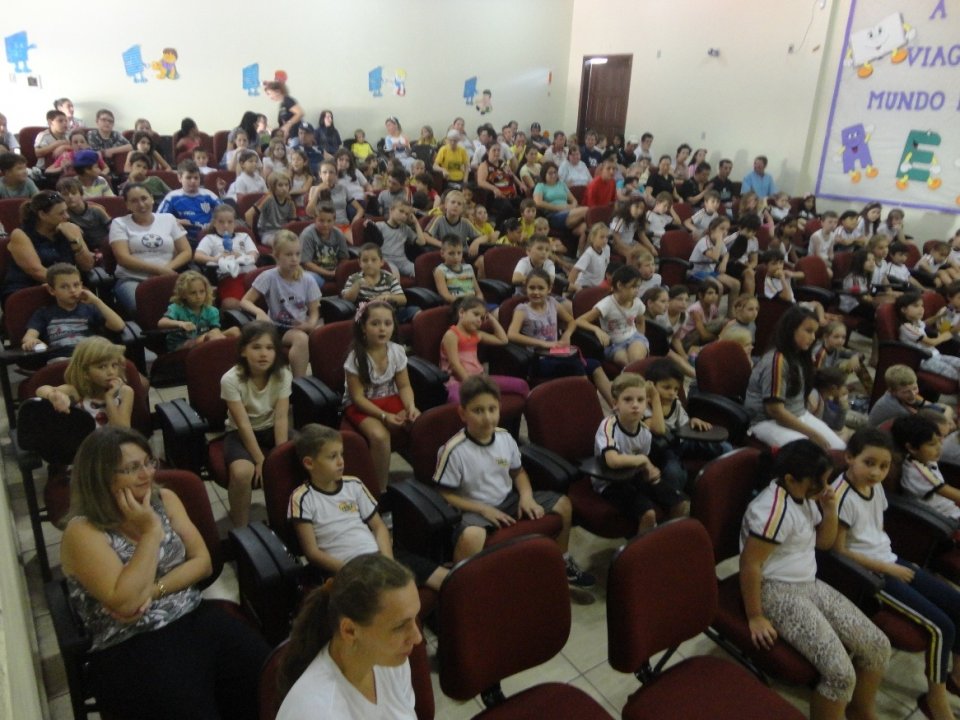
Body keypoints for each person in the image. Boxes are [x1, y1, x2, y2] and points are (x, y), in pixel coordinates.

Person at [60, 426, 270, 719]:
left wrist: (153, 589)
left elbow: (202, 562)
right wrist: (150, 531)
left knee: (267, 677)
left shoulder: (165, 499)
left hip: (190, 612)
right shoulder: (82, 530)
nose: (147, 474)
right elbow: (127, 605)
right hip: (130, 640)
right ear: (102, 477)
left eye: (148, 462)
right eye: (132, 468)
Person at [740, 439, 890, 720]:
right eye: (818, 483)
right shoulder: (772, 511)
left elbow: (823, 543)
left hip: (808, 582)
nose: (825, 488)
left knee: (878, 646)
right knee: (840, 675)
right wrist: (755, 616)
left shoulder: (805, 498)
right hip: (775, 590)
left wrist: (830, 509)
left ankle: (861, 711)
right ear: (790, 480)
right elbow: (750, 564)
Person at [833, 427, 960, 720]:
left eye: (884, 466)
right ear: (850, 457)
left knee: (956, 604)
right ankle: (936, 700)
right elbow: (838, 550)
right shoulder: (841, 497)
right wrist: (887, 568)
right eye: (869, 463)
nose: (877, 473)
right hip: (872, 573)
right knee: (942, 627)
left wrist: (898, 562)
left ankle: (955, 678)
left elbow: (875, 532)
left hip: (890, 559)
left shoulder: (874, 486)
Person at [433, 375, 594, 586]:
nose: (487, 418)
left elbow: (518, 473)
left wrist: (526, 497)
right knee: (471, 537)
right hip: (474, 509)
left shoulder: (505, 438)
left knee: (563, 505)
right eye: (478, 411)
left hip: (507, 500)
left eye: (492, 409)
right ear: (463, 413)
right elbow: (445, 494)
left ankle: (563, 561)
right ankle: (462, 585)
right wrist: (483, 510)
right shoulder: (454, 450)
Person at [275, 554, 421, 719]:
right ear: (349, 631)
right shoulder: (314, 712)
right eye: (400, 626)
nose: (417, 638)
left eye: (415, 618)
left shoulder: (391, 660)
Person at [593, 371, 689, 530]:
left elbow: (642, 462)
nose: (635, 405)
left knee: (680, 503)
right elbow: (613, 460)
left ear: (646, 404)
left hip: (634, 475)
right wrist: (645, 462)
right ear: (615, 403)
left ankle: (667, 539)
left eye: (640, 400)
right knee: (648, 514)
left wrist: (650, 472)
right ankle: (643, 552)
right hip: (610, 482)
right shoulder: (608, 425)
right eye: (628, 399)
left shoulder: (644, 431)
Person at [343, 301, 421, 491]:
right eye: (375, 324)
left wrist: (410, 407)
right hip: (362, 404)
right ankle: (380, 490)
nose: (382, 329)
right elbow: (358, 398)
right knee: (379, 436)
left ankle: (423, 483)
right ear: (363, 327)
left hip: (390, 397)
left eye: (387, 323)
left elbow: (404, 386)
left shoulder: (396, 350)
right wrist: (384, 416)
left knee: (419, 421)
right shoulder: (355, 357)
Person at [744, 306, 846, 450]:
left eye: (815, 332)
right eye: (808, 331)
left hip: (797, 415)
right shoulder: (777, 360)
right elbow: (775, 410)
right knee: (812, 454)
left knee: (839, 448)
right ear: (791, 329)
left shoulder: (800, 355)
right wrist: (812, 434)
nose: (813, 338)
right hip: (766, 422)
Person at [220, 321, 291, 527]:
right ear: (243, 351)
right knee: (242, 473)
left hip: (271, 428)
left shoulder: (283, 373)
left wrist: (279, 455)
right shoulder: (230, 379)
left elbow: (281, 418)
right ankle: (240, 528)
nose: (263, 354)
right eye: (256, 347)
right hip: (240, 433)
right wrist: (261, 460)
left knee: (306, 454)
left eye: (269, 348)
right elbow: (242, 424)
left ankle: (291, 519)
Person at [507, 268, 613, 406]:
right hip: (538, 359)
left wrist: (567, 335)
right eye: (532, 288)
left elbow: (572, 321)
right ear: (525, 288)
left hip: (557, 354)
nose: (536, 292)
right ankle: (589, 406)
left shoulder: (552, 303)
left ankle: (615, 405)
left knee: (595, 365)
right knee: (576, 365)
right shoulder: (522, 310)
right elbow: (511, 335)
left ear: (549, 289)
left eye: (541, 288)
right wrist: (543, 344)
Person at [240, 231, 320, 378]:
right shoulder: (269, 277)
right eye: (289, 255)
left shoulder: (308, 280)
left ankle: (304, 384)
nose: (294, 259)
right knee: (300, 339)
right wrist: (260, 312)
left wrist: (311, 324)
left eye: (297, 254)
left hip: (299, 327)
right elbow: (245, 301)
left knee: (308, 337)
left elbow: (314, 312)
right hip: (276, 327)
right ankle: (292, 383)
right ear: (276, 256)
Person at [109, 183, 191, 315]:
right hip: (132, 279)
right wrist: (158, 270)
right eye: (134, 201)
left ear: (152, 198)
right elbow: (123, 258)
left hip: (167, 276)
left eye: (144, 198)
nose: (141, 204)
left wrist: (166, 270)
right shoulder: (119, 223)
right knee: (144, 309)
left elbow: (186, 251)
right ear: (127, 205)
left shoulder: (168, 219)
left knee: (192, 303)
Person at [2, 190, 95, 303]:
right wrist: (69, 287)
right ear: (42, 215)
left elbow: (87, 266)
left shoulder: (70, 229)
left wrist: (75, 241)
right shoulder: (21, 234)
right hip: (28, 288)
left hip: (68, 288)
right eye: (61, 213)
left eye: (66, 211)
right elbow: (36, 271)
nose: (67, 216)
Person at [441, 297, 528, 403]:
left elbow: (503, 340)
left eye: (482, 318)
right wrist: (471, 384)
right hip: (457, 381)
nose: (479, 320)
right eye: (476, 314)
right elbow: (455, 365)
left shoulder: (477, 334)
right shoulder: (452, 335)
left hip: (479, 378)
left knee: (521, 385)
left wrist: (491, 319)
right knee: (456, 400)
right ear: (462, 312)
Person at [22, 263, 124, 354]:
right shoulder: (44, 313)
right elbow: (29, 336)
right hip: (61, 360)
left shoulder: (90, 309)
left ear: (81, 285)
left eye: (76, 285)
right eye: (64, 287)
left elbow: (118, 326)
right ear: (52, 290)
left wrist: (97, 301)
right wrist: (31, 341)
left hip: (88, 358)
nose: (72, 290)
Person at [35, 336, 134, 428]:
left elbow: (122, 431)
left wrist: (109, 398)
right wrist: (53, 396)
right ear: (85, 372)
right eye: (102, 367)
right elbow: (40, 390)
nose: (111, 372)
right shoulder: (75, 391)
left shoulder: (125, 392)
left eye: (114, 365)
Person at [893, 414, 960, 522]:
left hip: (950, 510)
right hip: (947, 519)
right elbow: (953, 494)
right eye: (932, 444)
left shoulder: (925, 459)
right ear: (911, 448)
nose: (939, 447)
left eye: (940, 440)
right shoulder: (917, 472)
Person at [576, 265, 648, 366]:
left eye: (638, 287)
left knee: (636, 361)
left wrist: (641, 337)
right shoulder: (606, 304)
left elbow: (640, 322)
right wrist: (597, 330)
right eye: (633, 287)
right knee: (628, 365)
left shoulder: (637, 302)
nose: (637, 291)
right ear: (619, 285)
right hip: (614, 344)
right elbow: (579, 320)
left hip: (634, 337)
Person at [157, 270, 237, 352]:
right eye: (193, 293)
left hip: (204, 340)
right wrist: (180, 323)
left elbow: (215, 329)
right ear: (183, 294)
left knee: (234, 331)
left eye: (202, 292)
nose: (198, 296)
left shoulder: (211, 310)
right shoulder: (176, 308)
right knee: (212, 336)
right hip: (181, 345)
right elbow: (161, 323)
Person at [897, 291, 960, 389]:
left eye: (922, 306)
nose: (921, 309)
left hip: (936, 355)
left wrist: (941, 316)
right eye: (916, 306)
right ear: (904, 309)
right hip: (924, 360)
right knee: (956, 374)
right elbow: (931, 342)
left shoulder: (916, 322)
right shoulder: (906, 327)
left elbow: (925, 323)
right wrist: (949, 333)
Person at [157, 160, 222, 249]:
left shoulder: (209, 194)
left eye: (196, 178)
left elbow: (226, 212)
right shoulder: (172, 197)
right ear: (180, 178)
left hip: (210, 236)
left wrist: (214, 223)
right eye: (188, 177)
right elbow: (159, 219)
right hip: (185, 238)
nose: (193, 181)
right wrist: (176, 221)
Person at [299, 202, 349, 289]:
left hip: (335, 272)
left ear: (334, 221)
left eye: (329, 221)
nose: (325, 225)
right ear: (315, 219)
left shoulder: (339, 234)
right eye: (321, 221)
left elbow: (344, 258)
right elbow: (306, 263)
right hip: (314, 273)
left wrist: (339, 271)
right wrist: (329, 273)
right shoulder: (307, 235)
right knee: (308, 279)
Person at [376, 199, 428, 278]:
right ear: (391, 210)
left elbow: (422, 242)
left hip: (403, 262)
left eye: (407, 214)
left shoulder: (405, 228)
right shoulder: (380, 226)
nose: (404, 216)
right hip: (386, 260)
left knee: (422, 272)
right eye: (401, 211)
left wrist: (416, 223)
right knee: (395, 275)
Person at [250, 171, 296, 247]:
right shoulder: (268, 199)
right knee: (282, 244)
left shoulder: (290, 202)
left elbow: (292, 222)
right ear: (273, 187)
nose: (284, 188)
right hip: (267, 233)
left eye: (286, 185)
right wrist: (254, 236)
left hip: (283, 232)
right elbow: (249, 215)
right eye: (280, 185)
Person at [434, 235, 483, 303]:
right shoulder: (440, 271)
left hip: (474, 304)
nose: (456, 257)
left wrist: (480, 303)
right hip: (458, 306)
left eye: (459, 253)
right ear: (442, 253)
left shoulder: (468, 268)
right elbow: (446, 296)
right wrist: (467, 304)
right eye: (451, 253)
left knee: (497, 312)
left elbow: (478, 293)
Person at [568, 223, 610, 292]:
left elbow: (606, 265)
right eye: (601, 237)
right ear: (593, 238)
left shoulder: (607, 248)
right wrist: (570, 287)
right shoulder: (589, 254)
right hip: (585, 286)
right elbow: (575, 271)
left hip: (597, 285)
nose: (605, 240)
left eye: (607, 237)